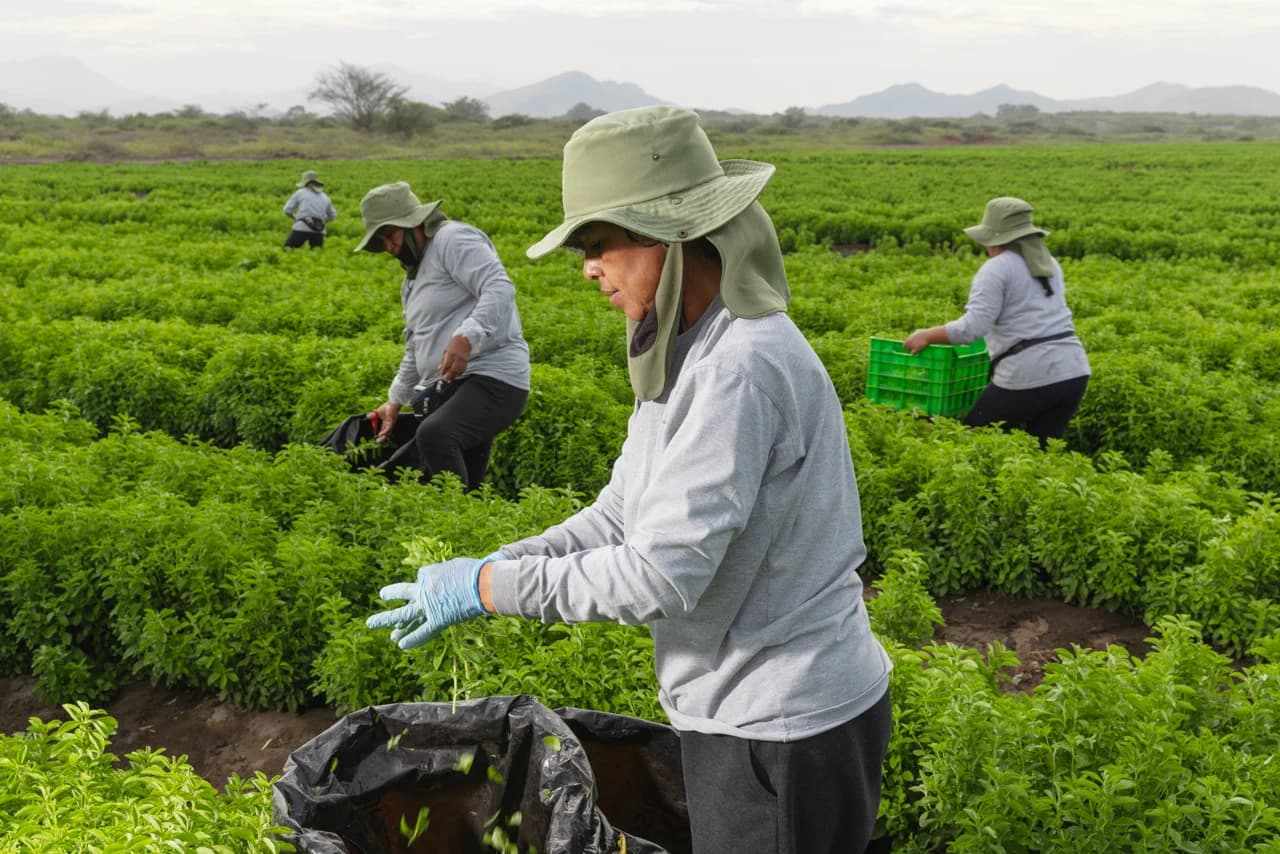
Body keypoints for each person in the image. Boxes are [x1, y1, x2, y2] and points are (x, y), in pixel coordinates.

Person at [366, 106, 893, 854]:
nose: (588, 268)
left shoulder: (738, 366)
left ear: (670, 237)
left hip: (781, 723)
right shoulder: (685, 351)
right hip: (740, 707)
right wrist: (505, 564)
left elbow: (660, 575)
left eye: (599, 244)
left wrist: (486, 591)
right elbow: (622, 514)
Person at [325, 181, 530, 490]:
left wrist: (467, 336)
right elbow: (415, 347)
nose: (389, 248)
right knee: (464, 476)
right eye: (381, 242)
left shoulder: (452, 239)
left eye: (389, 235)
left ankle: (454, 521)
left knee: (436, 434)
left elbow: (499, 286)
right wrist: (395, 401)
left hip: (493, 377)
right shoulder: (411, 283)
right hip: (449, 386)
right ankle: (462, 526)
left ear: (412, 224)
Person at [904, 196, 1090, 446]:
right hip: (1074, 371)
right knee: (1042, 451)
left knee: (972, 442)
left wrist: (927, 335)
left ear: (995, 239)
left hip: (1028, 372)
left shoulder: (997, 268)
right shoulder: (1051, 264)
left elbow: (972, 329)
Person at [282, 169, 337, 248]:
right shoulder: (325, 196)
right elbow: (333, 216)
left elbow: (287, 210)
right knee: (317, 256)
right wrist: (320, 221)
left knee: (287, 250)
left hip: (301, 228)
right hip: (319, 231)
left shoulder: (300, 192)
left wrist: (295, 218)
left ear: (305, 183)